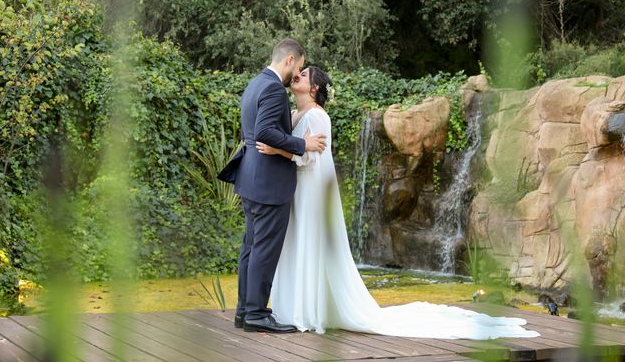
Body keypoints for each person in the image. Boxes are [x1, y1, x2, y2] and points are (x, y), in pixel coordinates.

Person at [255, 66, 540, 340]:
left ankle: (307, 311)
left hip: (311, 192)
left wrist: (276, 149)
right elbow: (299, 147)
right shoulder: (296, 113)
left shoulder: (318, 117)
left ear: (314, 87)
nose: (296, 77)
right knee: (297, 244)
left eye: (303, 75)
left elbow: (307, 157)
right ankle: (297, 307)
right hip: (298, 190)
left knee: (309, 244)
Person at [219, 39, 327, 333]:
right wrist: (301, 144)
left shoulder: (256, 83)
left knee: (251, 247)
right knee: (263, 250)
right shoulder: (274, 90)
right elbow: (266, 132)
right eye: (301, 67)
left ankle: (244, 311)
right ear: (290, 59)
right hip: (269, 182)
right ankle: (255, 313)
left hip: (251, 178)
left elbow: (255, 132)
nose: (298, 74)